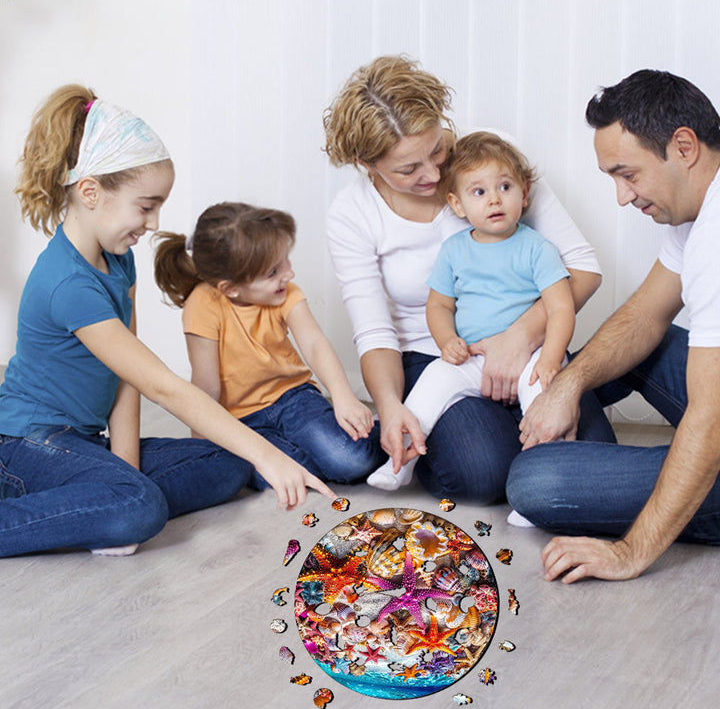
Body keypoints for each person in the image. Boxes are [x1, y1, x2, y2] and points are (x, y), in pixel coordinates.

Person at [0, 85, 334, 559]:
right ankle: (95, 506)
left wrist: (127, 467)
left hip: (82, 440)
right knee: (138, 507)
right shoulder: (67, 284)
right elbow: (165, 387)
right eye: (146, 205)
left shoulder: (119, 261)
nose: (154, 222)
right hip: (27, 443)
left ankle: (94, 504)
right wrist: (270, 456)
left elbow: (129, 381)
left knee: (225, 462)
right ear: (91, 192)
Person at [324, 55, 615, 503]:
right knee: (485, 474)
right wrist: (390, 406)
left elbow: (582, 268)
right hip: (435, 355)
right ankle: (454, 439)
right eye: (408, 169)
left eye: (437, 149)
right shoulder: (352, 213)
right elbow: (375, 332)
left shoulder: (492, 163)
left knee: (593, 454)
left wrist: (519, 338)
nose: (435, 175)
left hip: (531, 338)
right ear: (367, 164)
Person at [507, 69, 720, 583]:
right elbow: (645, 315)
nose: (623, 197)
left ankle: (645, 479)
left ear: (684, 146)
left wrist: (629, 552)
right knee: (633, 346)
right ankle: (577, 434)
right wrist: (568, 386)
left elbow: (711, 419)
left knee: (538, 482)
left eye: (629, 174)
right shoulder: (697, 210)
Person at [367, 132, 575, 490]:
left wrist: (550, 359)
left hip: (529, 356)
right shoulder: (454, 250)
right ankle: (399, 463)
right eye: (479, 192)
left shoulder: (536, 248)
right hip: (472, 356)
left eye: (505, 187)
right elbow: (440, 305)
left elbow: (560, 308)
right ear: (458, 204)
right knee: (431, 385)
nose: (494, 199)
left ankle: (541, 485)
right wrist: (447, 340)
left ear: (524, 194)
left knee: (544, 407)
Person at [154, 202, 386, 487]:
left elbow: (313, 343)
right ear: (230, 288)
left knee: (351, 461)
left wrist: (343, 397)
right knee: (273, 476)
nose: (288, 274)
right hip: (241, 418)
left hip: (293, 397)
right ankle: (321, 451)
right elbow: (205, 385)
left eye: (285, 261)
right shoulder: (202, 304)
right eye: (273, 272)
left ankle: (383, 429)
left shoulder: (285, 292)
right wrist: (205, 444)